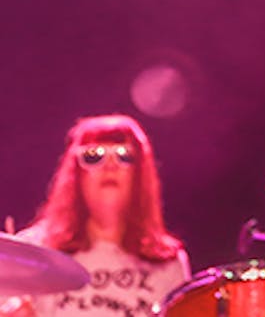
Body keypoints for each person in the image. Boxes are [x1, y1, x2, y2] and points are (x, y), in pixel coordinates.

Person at [2, 115, 191, 317]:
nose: (110, 165)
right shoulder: (34, 249)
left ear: (140, 173)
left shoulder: (168, 262)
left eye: (124, 155)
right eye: (93, 155)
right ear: (76, 174)